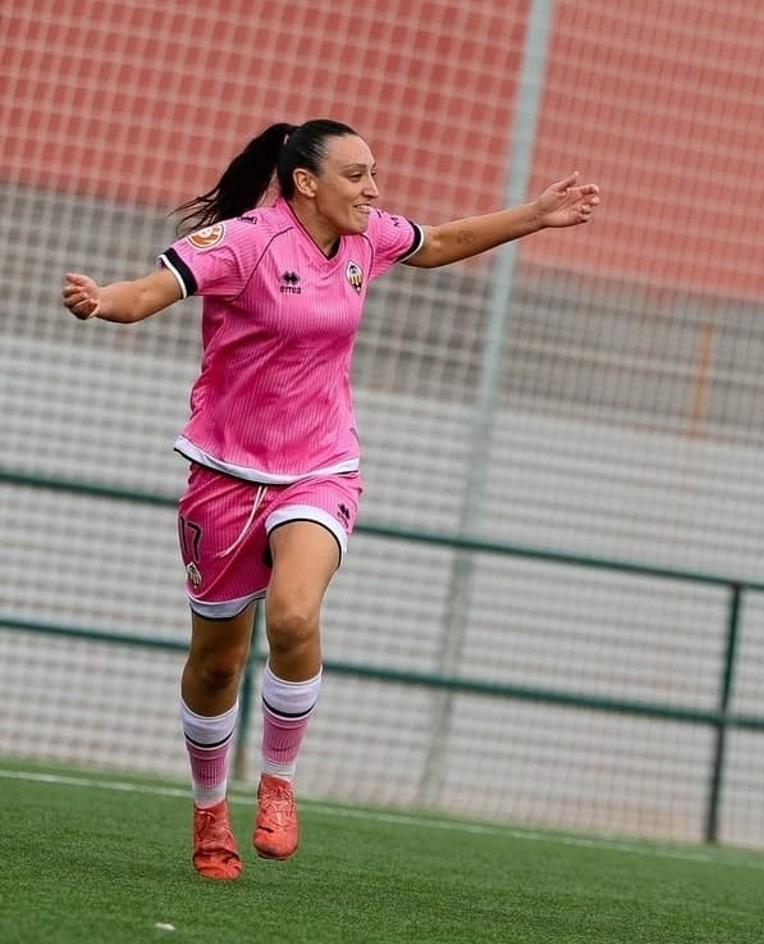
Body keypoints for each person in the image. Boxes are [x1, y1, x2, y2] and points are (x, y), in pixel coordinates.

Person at [62, 119, 600, 881]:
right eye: (357, 175)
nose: (374, 189)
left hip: (321, 466)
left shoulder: (366, 239)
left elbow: (440, 242)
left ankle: (278, 782)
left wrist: (534, 215)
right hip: (222, 473)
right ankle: (209, 810)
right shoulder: (247, 241)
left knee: (293, 613)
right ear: (306, 182)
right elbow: (152, 290)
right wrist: (102, 300)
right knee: (217, 665)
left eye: (374, 173)